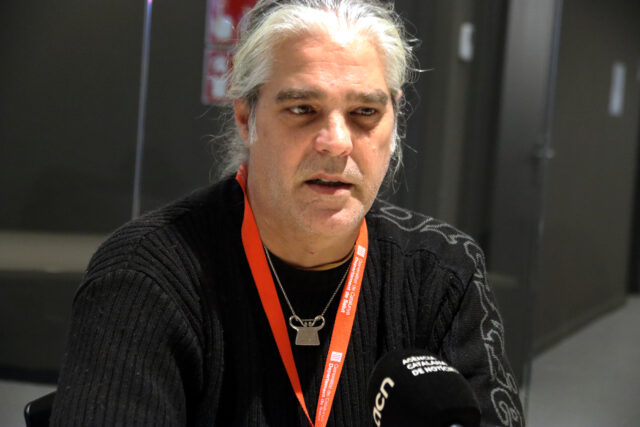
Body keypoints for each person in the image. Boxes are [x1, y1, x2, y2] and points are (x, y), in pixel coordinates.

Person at [51, 0, 524, 426]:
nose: (336, 143)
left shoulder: (442, 272)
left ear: (395, 118)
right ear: (245, 116)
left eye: (365, 112)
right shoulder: (144, 275)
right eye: (303, 109)